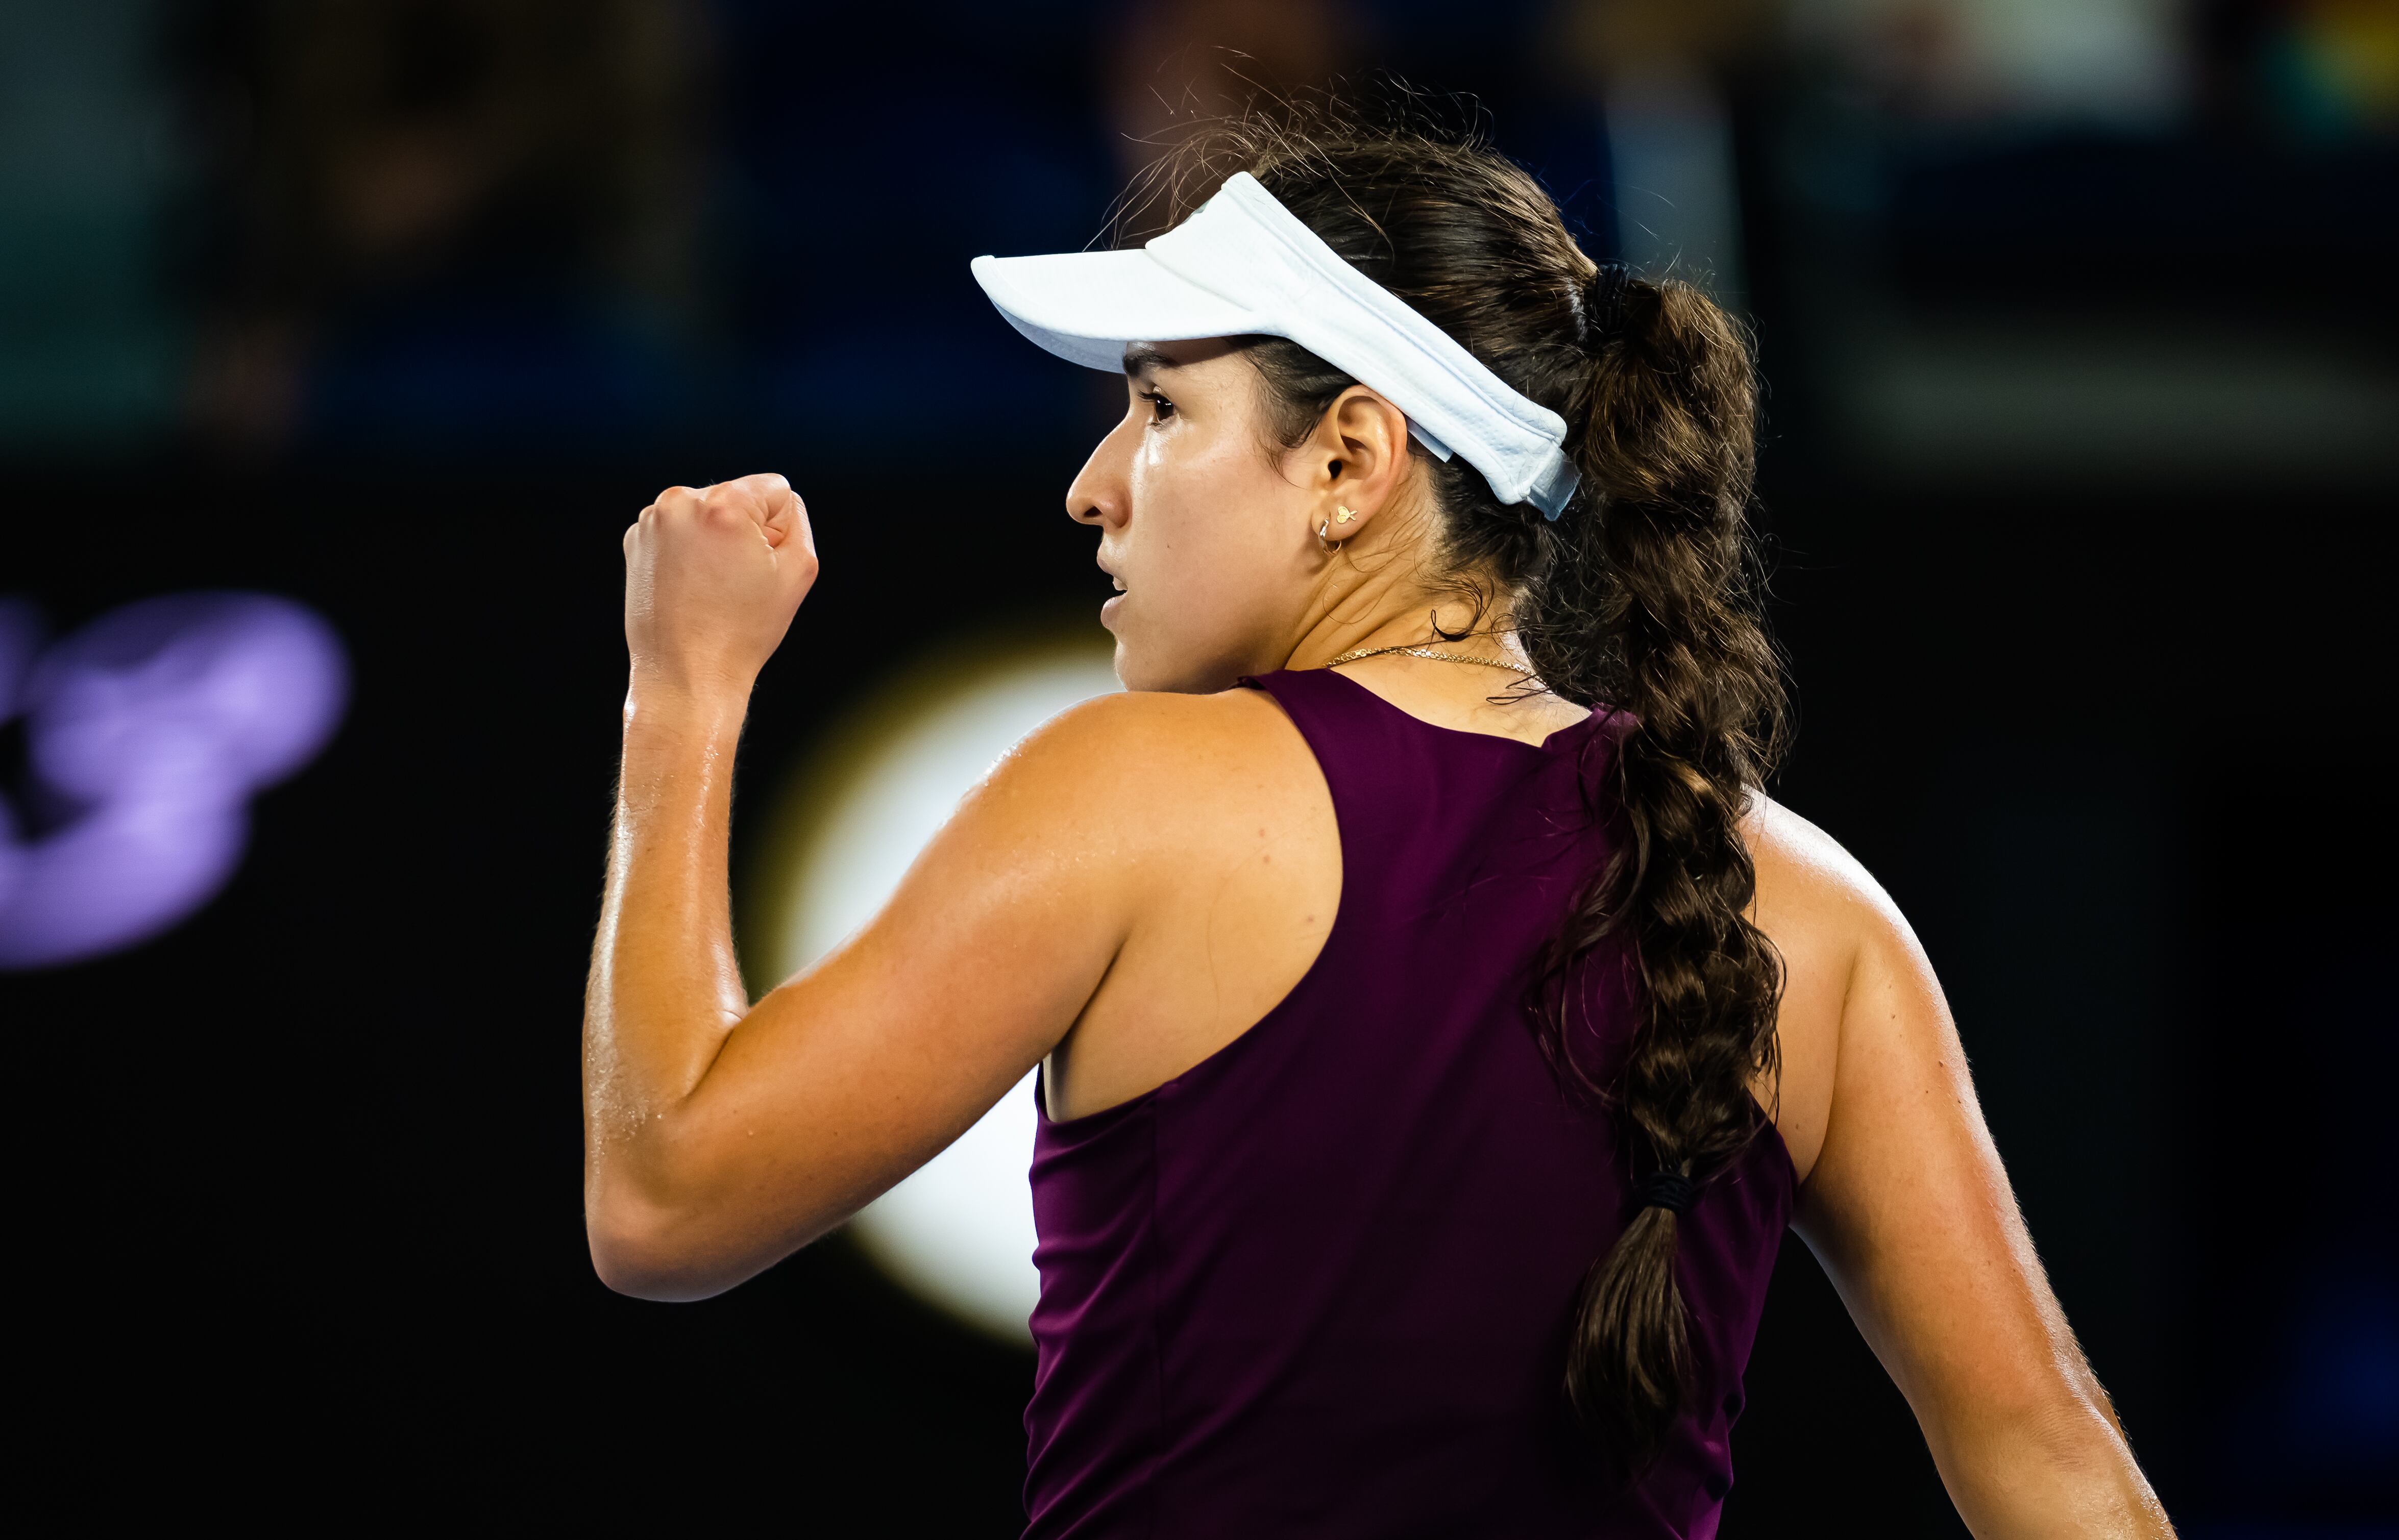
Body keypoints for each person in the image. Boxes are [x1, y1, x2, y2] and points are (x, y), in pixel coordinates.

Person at [582, 111, 2174, 1537]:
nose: (1092, 485)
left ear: (1347, 459)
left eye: (1156, 413)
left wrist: (686, 689)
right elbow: (2053, 1468)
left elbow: (665, 1204)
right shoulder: (1810, 906)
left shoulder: (1130, 790)